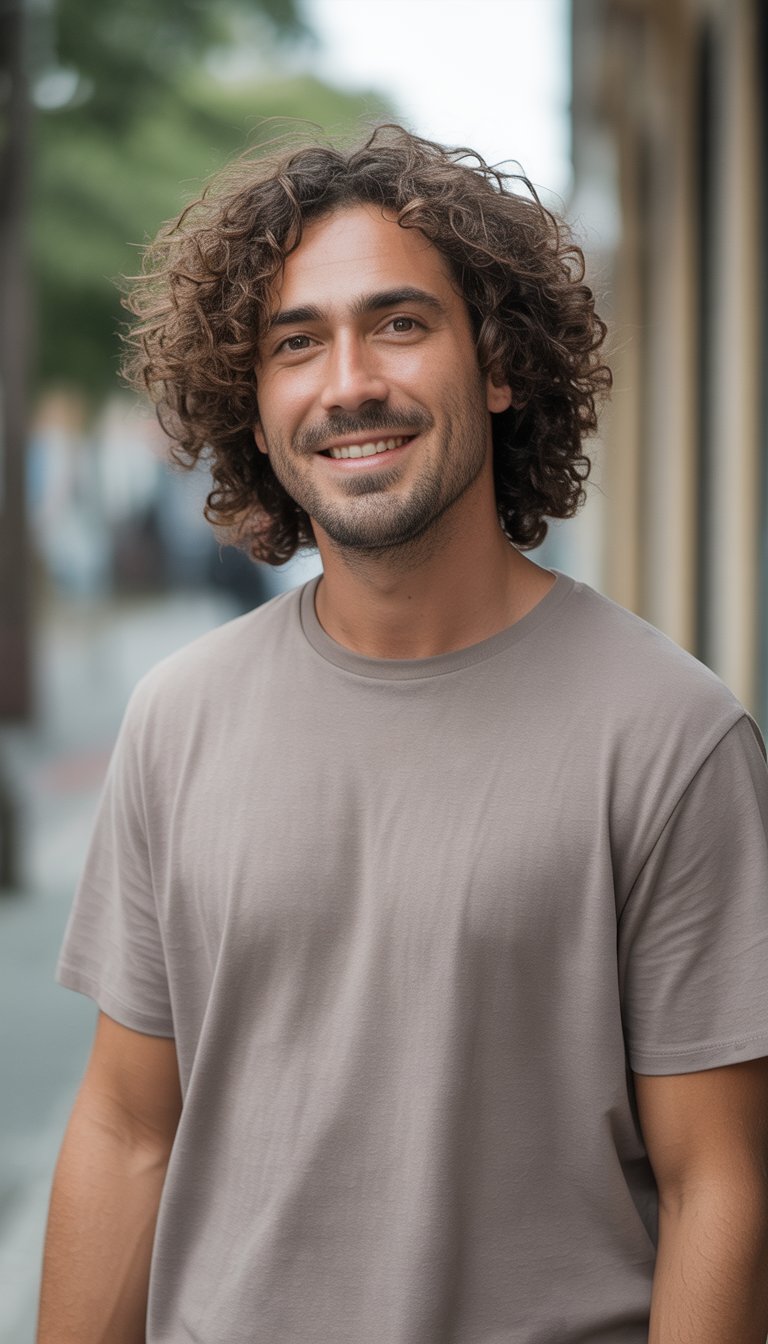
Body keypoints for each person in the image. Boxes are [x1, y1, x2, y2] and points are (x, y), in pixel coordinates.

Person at [38, 125, 768, 1344]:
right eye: (295, 344)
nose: (349, 382)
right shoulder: (179, 718)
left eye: (400, 323)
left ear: (498, 364)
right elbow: (125, 1131)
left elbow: (722, 1186)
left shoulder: (673, 738)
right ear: (255, 405)